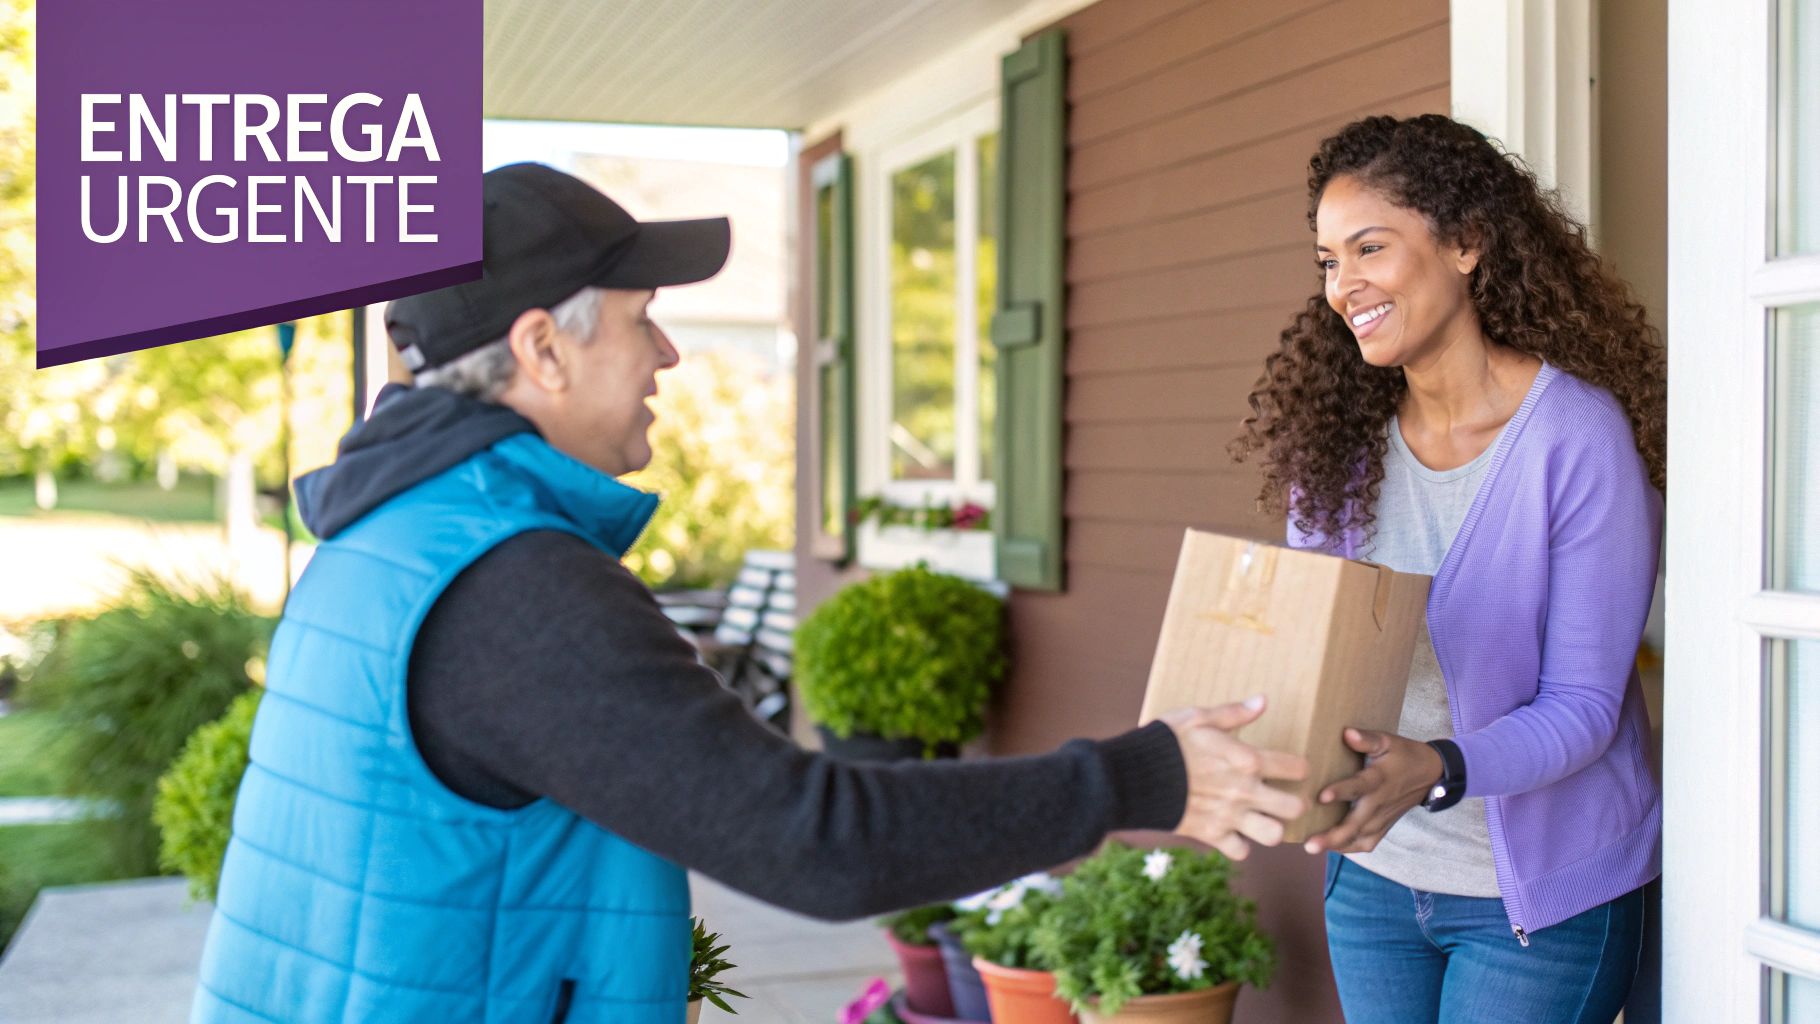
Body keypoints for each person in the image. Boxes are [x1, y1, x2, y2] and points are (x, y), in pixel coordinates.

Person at [188, 162, 1310, 1024]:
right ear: (542, 349)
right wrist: (1137, 773)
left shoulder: (382, 536)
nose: (667, 353)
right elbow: (815, 842)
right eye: (639, 320)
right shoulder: (509, 583)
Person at [1231, 114, 1666, 1024]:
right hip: (1378, 881)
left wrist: (1435, 767)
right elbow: (1322, 652)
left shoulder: (1574, 437)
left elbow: (1585, 706)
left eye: (1369, 248)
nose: (1344, 286)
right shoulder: (1340, 449)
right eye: (1327, 261)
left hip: (1537, 905)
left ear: (1465, 243)